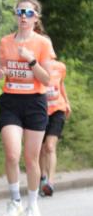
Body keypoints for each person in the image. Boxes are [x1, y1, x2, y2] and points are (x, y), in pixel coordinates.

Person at [0, 0, 55, 216]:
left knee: (31, 159)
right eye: (20, 12)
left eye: (29, 13)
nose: (24, 16)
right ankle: (14, 202)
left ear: (35, 18)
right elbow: (2, 68)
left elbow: (47, 79)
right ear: (16, 15)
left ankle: (32, 205)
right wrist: (0, 72)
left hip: (35, 103)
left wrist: (32, 61)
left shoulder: (43, 43)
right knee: (12, 154)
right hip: (11, 100)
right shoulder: (5, 42)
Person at [39, 57, 71, 197]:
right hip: (39, 110)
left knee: (50, 147)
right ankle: (43, 177)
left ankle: (50, 183)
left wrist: (67, 102)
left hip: (58, 109)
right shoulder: (35, 65)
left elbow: (61, 84)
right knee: (40, 148)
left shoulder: (60, 67)